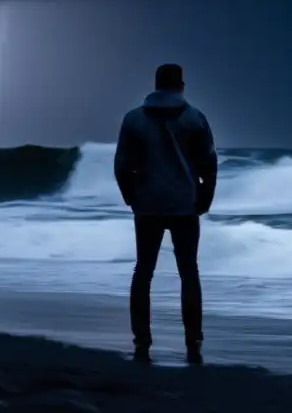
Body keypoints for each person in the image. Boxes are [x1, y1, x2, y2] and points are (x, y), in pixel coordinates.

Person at [113, 63, 219, 365]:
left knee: (143, 272)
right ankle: (193, 338)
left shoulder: (133, 119)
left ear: (156, 85)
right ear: (181, 86)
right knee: (188, 272)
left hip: (147, 205)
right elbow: (209, 164)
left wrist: (131, 197)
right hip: (185, 205)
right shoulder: (195, 119)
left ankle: (142, 340)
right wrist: (205, 199)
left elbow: (121, 165)